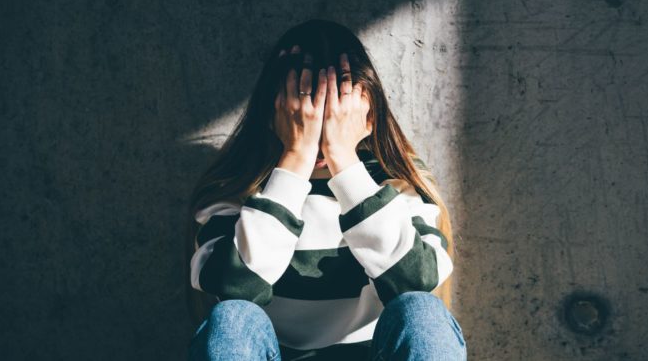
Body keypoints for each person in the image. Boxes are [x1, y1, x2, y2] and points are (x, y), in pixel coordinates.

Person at [184, 19, 466, 361]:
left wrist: (345, 162)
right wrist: (295, 158)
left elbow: (415, 280)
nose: (318, 129)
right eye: (302, 112)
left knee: (422, 312)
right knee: (233, 319)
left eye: (334, 115)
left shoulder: (395, 182)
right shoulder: (238, 186)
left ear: (368, 116)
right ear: (274, 113)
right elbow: (234, 287)